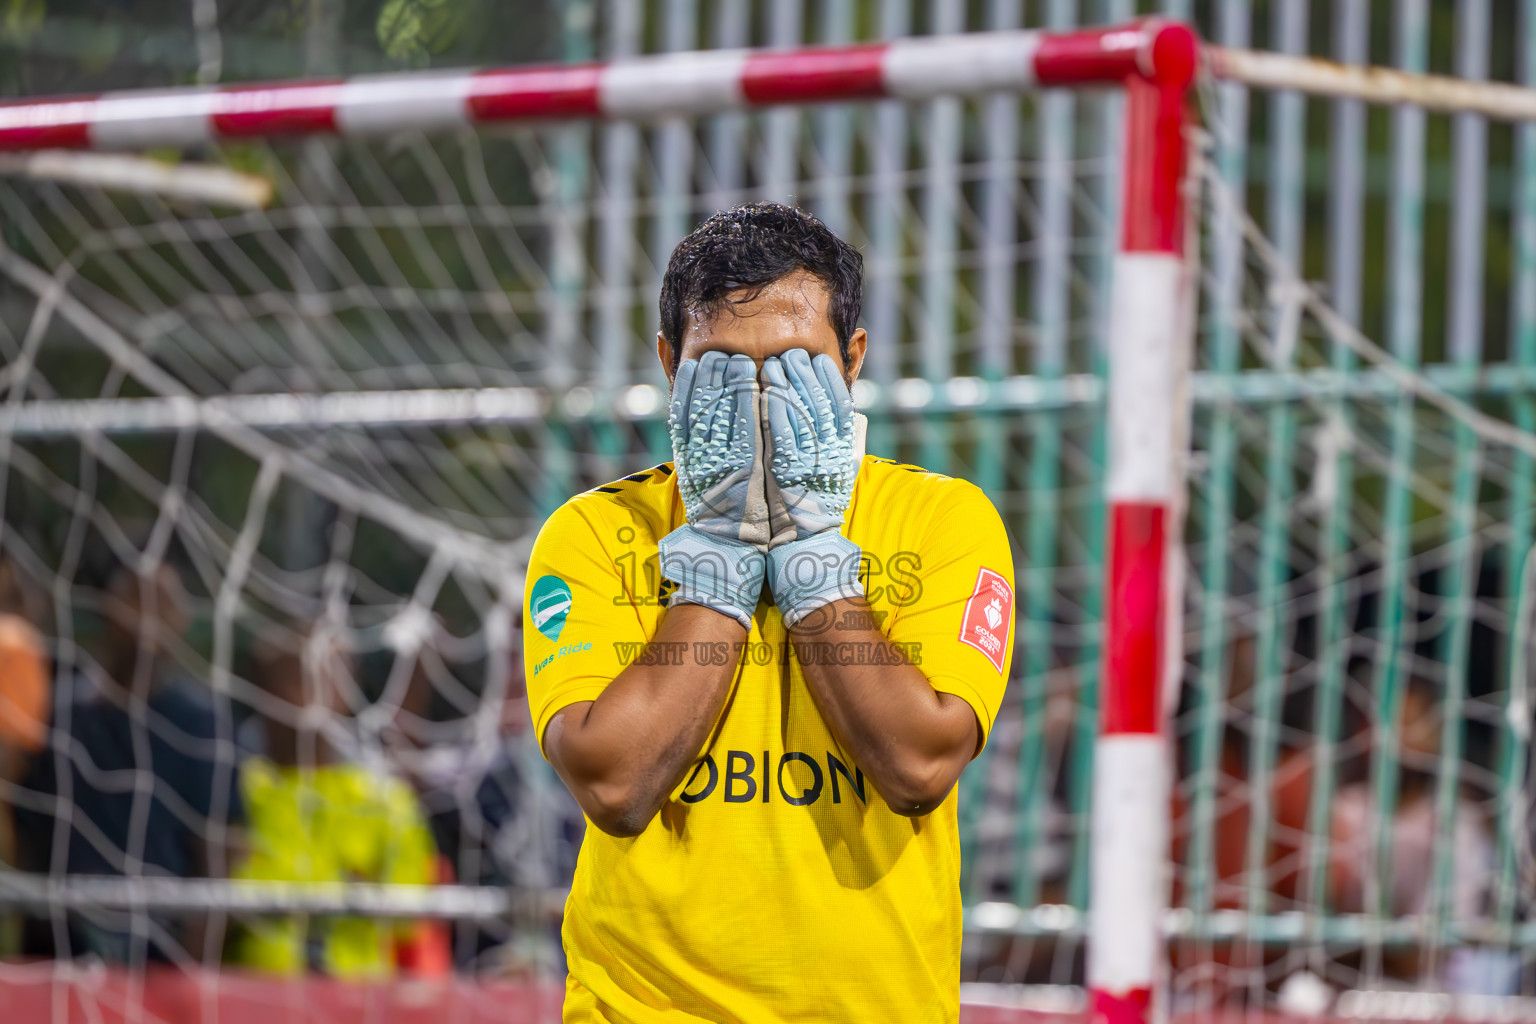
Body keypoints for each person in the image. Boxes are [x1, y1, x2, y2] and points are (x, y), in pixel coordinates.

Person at [523, 202, 1016, 1022]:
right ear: (669, 364)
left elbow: (920, 768)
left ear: (852, 361)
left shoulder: (944, 520)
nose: (759, 404)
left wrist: (810, 552)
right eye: (723, 370)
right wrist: (719, 550)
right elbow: (614, 784)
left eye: (793, 366)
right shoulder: (594, 531)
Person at [13, 563, 244, 965]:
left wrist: (184, 980)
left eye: (163, 604)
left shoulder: (204, 725)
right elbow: (26, 843)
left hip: (160, 962)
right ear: (107, 607)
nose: (146, 619)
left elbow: (219, 859)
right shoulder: (59, 714)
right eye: (135, 598)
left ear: (183, 620)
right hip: (61, 955)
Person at [229, 626, 446, 979]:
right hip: (256, 997)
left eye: (326, 675)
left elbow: (411, 928)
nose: (308, 693)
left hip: (359, 1002)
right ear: (261, 688)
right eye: (296, 676)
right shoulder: (237, 791)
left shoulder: (387, 803)